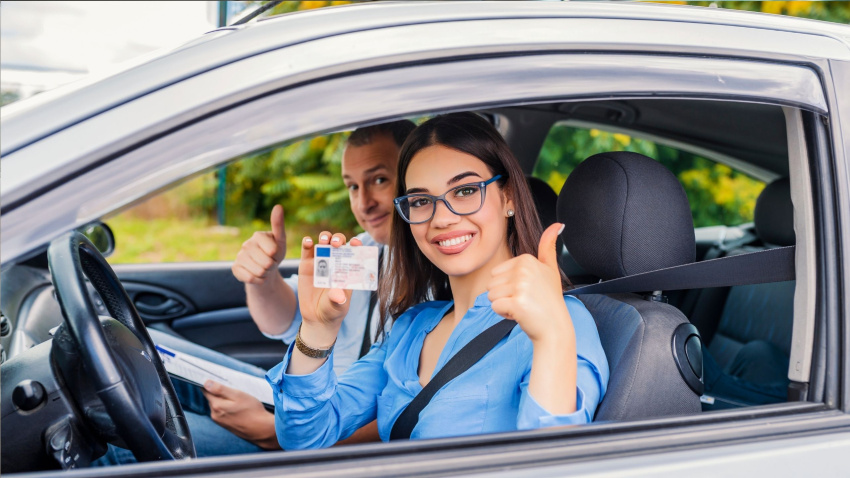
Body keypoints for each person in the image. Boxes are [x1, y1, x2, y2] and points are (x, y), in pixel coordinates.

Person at [267, 113, 609, 448]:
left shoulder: (560, 320)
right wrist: (317, 330)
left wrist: (552, 336)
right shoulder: (411, 327)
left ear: (508, 197)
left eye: (465, 190)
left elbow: (553, 463)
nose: (442, 218)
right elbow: (305, 436)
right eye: (420, 201)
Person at [94, 120, 415, 465]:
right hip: (307, 400)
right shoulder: (364, 251)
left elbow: (405, 415)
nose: (363, 203)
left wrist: (274, 433)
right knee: (143, 346)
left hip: (327, 439)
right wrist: (263, 277)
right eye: (352, 186)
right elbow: (286, 319)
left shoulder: (438, 287)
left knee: (113, 447)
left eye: (379, 180)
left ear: (413, 176)